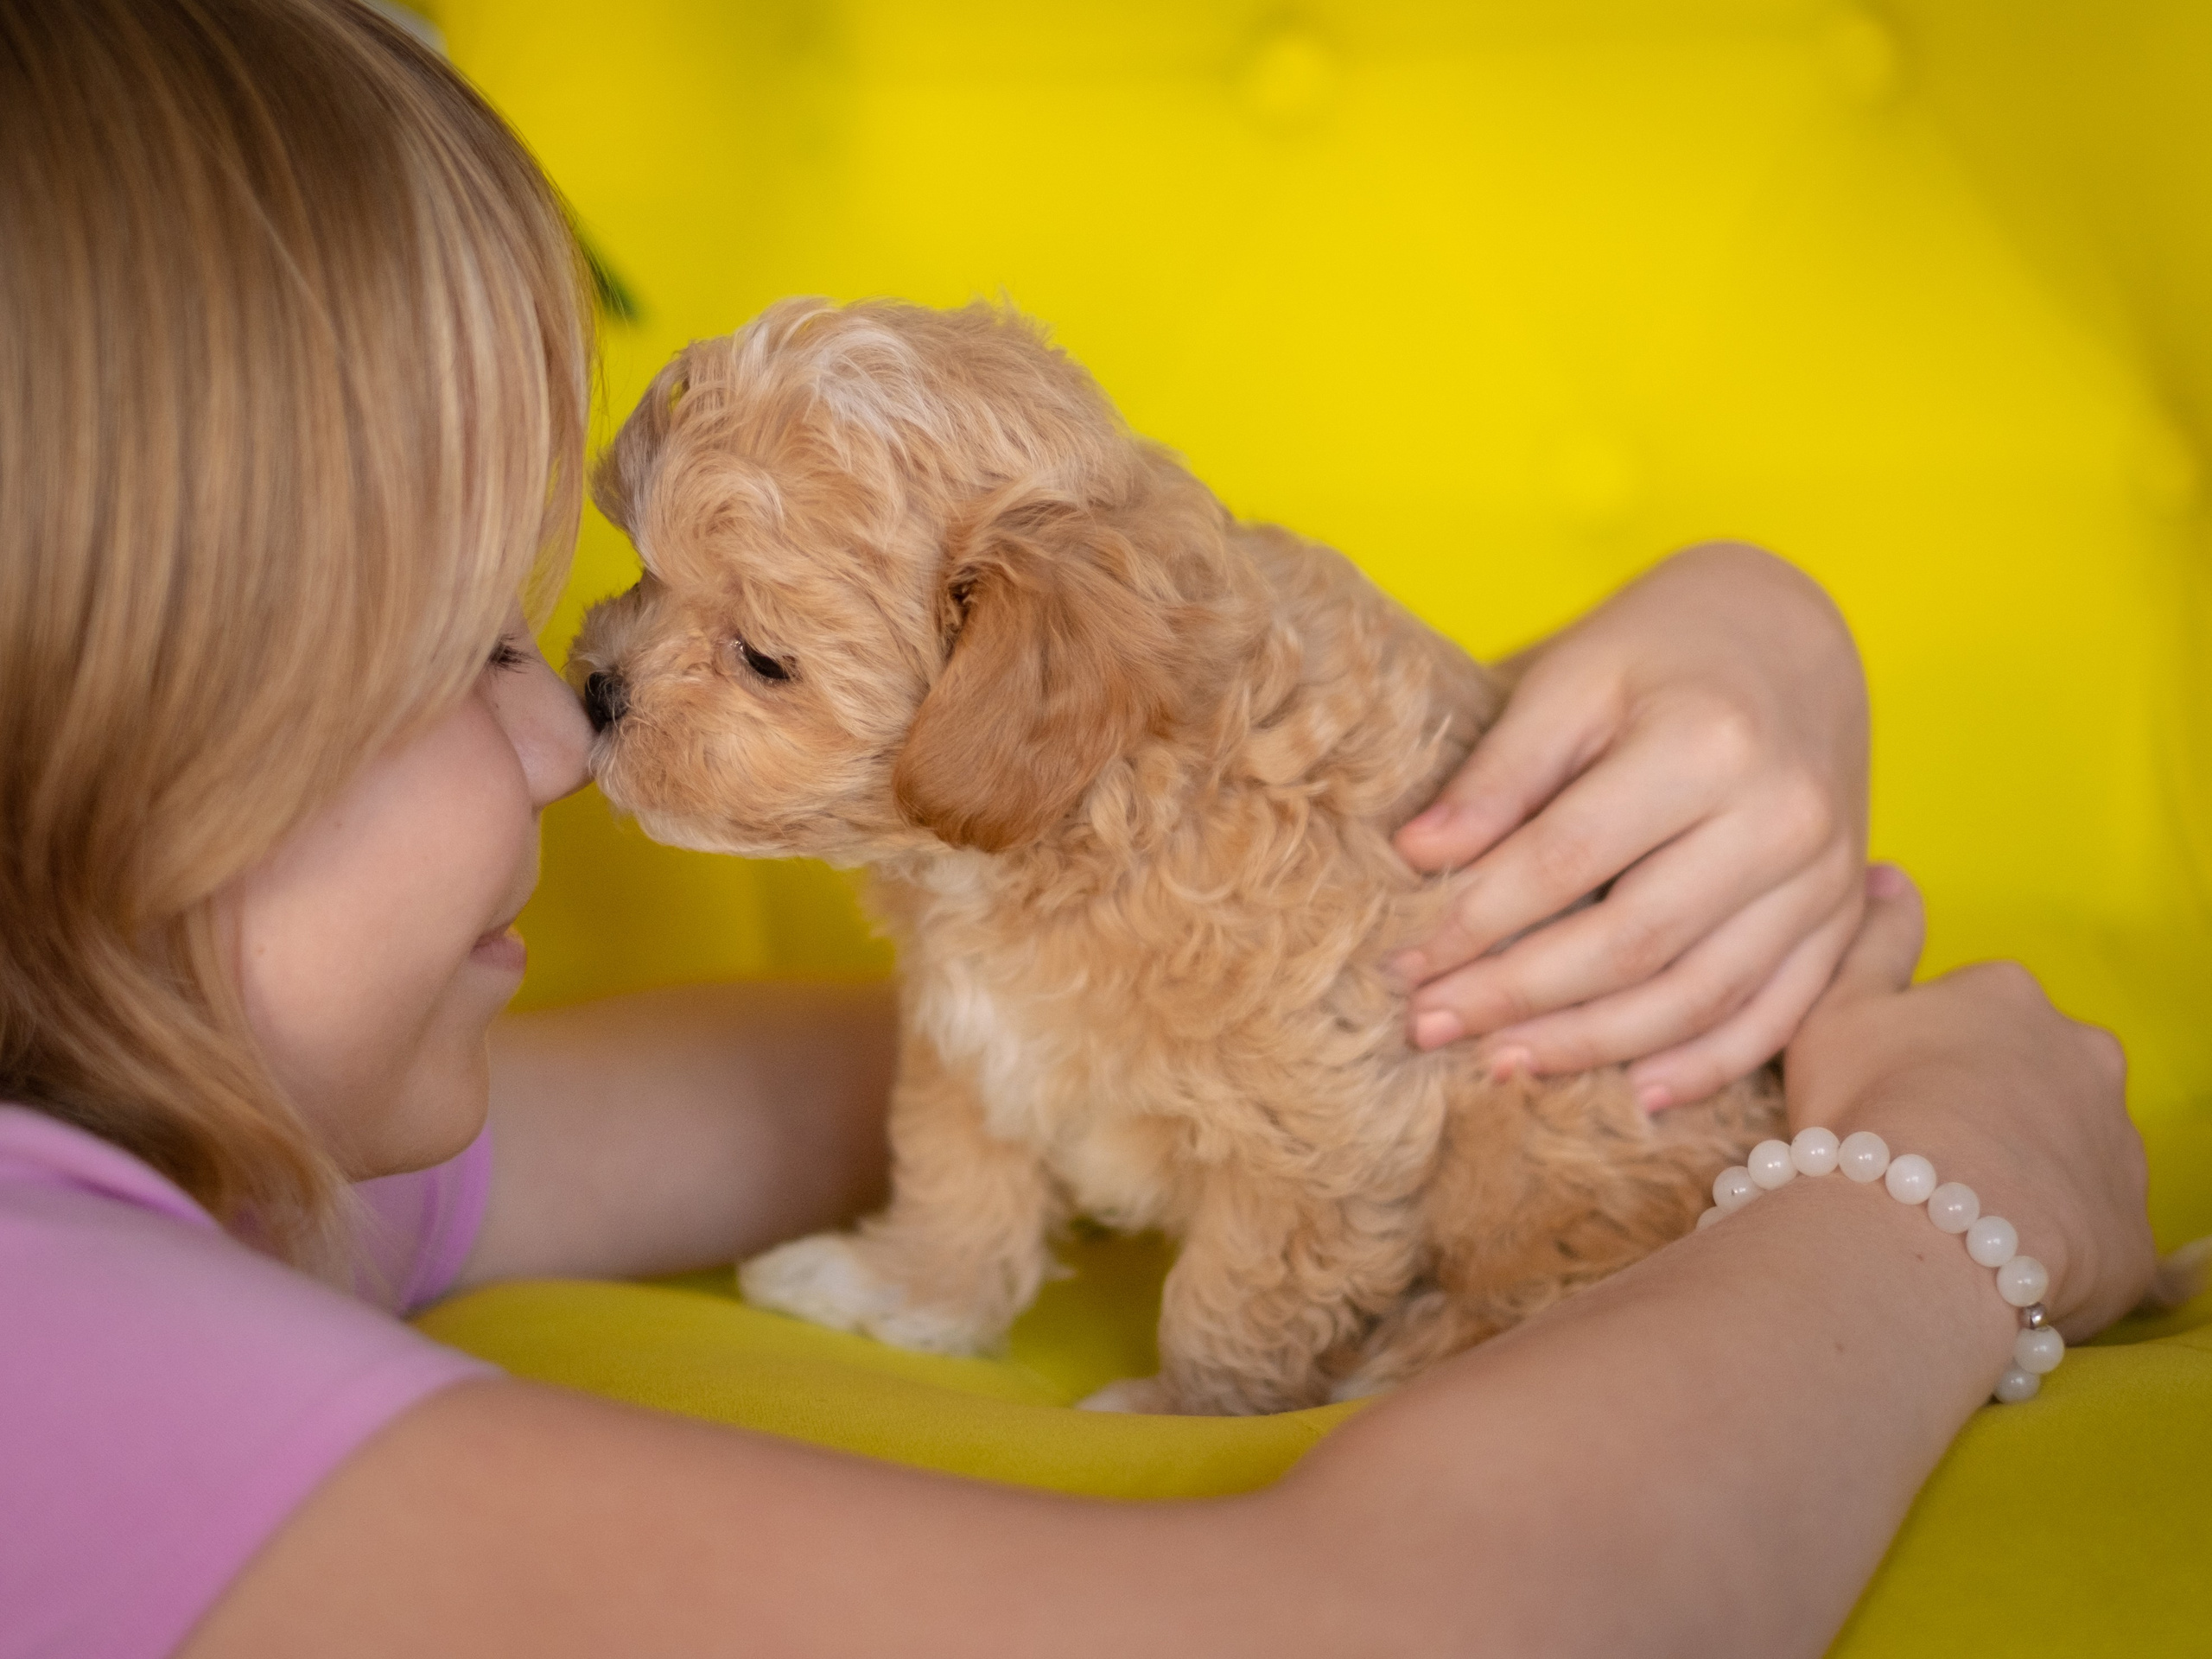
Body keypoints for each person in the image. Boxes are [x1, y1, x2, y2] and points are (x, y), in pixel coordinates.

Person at [0, 3, 2155, 1657]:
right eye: (447, 654)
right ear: (106, 747)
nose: (564, 736)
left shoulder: (212, 1146)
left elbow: (880, 1071)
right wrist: (1926, 1198)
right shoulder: (49, 1353)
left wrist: (1658, 680)